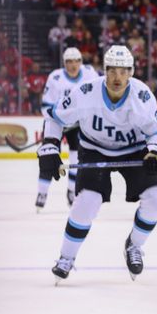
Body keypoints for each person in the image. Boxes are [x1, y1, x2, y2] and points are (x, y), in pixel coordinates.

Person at [38, 45, 157, 283]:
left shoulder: (142, 96)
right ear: (104, 71)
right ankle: (66, 258)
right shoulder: (85, 92)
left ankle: (134, 246)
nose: (117, 77)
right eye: (112, 71)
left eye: (123, 71)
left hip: (134, 150)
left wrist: (155, 151)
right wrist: (49, 146)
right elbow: (55, 118)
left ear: (131, 72)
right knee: (86, 203)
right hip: (95, 150)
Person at [36, 47, 99, 212]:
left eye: (76, 61)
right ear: (64, 63)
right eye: (69, 62)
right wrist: (61, 121)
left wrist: (82, 117)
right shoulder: (55, 78)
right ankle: (42, 193)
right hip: (57, 122)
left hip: (78, 125)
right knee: (48, 156)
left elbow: (97, 98)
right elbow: (46, 106)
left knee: (76, 159)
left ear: (81, 62)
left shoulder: (90, 74)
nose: (73, 65)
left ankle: (71, 191)